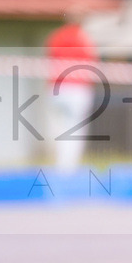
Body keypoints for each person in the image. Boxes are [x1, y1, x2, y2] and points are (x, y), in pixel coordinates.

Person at [45, 22, 98, 170]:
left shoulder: (56, 37)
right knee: (74, 129)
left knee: (60, 128)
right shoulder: (84, 39)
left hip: (57, 90)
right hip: (77, 90)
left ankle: (61, 165)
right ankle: (68, 167)